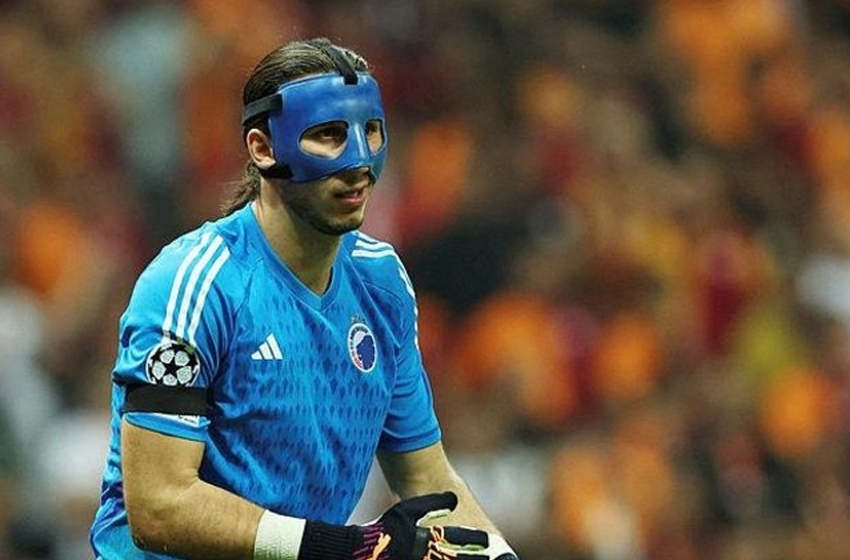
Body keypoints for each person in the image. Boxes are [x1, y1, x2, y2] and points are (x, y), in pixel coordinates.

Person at [89, 37, 520, 560]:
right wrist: (347, 547)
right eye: (328, 135)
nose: (359, 162)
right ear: (263, 148)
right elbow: (159, 506)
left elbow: (427, 480)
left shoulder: (382, 283)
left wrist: (499, 555)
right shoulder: (194, 283)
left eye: (370, 131)